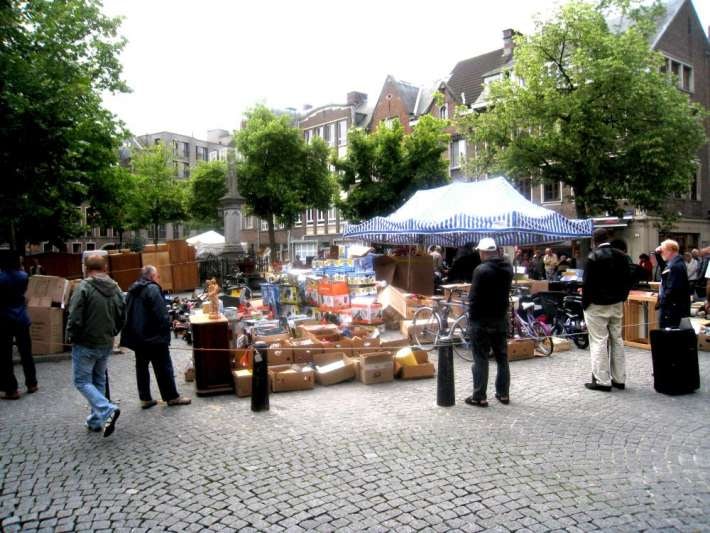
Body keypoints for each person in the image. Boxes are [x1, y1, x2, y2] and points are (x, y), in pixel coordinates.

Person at [66, 255, 125, 436]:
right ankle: (96, 421)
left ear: (86, 268)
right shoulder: (116, 288)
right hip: (106, 342)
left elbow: (75, 316)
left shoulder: (83, 287)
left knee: (82, 381)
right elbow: (122, 315)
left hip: (86, 342)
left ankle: (106, 409)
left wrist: (71, 336)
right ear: (105, 267)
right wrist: (113, 332)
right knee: (98, 380)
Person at [121, 265, 191, 409]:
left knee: (141, 367)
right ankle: (172, 397)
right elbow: (161, 314)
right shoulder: (152, 289)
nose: (159, 279)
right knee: (164, 367)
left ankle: (145, 398)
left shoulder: (132, 290)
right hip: (153, 336)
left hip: (138, 336)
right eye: (158, 276)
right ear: (152, 276)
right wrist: (167, 329)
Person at [465, 237, 514, 407]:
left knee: (481, 358)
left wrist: (471, 319)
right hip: (500, 318)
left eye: (479, 251)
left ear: (484, 252)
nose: (479, 254)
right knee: (502, 358)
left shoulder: (481, 270)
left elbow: (474, 298)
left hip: (481, 320)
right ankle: (503, 394)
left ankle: (479, 396)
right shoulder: (508, 267)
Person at [582, 228, 631, 392]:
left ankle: (602, 380)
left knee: (599, 340)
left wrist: (585, 304)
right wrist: (622, 297)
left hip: (596, 305)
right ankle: (619, 378)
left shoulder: (592, 257)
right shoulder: (622, 256)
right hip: (616, 303)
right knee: (617, 339)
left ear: (594, 241)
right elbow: (628, 280)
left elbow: (587, 285)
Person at [0, 251, 38, 400]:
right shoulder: (23, 276)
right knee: (26, 352)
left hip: (4, 319)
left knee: (5, 356)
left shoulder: (1, 278)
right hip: (21, 317)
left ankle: (11, 389)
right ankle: (32, 383)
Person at [654, 240, 690, 328]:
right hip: (672, 307)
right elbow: (664, 268)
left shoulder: (675, 266)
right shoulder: (675, 263)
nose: (661, 253)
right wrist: (657, 254)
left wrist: (662, 302)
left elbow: (672, 289)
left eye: (663, 251)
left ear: (670, 251)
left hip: (671, 308)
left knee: (668, 334)